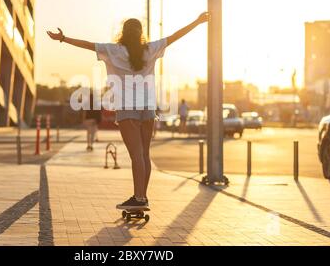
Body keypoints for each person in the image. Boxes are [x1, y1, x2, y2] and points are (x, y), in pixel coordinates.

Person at [47, 12, 209, 210]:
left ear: (123, 33)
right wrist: (198, 22)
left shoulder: (113, 50)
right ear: (141, 33)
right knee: (144, 154)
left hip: (127, 108)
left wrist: (63, 39)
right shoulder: (150, 49)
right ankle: (142, 196)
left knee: (136, 155)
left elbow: (88, 44)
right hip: (148, 108)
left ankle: (139, 198)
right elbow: (175, 37)